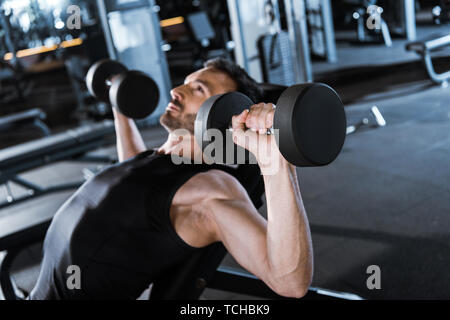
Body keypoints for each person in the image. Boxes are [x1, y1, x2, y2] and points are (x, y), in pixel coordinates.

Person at [29, 58, 313, 300]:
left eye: (198, 89)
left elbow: (290, 281)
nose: (176, 90)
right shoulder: (155, 160)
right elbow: (131, 179)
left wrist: (275, 160)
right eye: (186, 82)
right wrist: (120, 104)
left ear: (224, 115)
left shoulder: (210, 189)